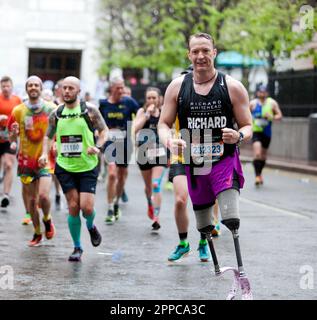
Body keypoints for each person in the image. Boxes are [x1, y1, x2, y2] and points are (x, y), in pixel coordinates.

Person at [158, 33, 253, 290]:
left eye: (205, 51)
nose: (200, 56)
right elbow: (163, 124)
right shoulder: (177, 87)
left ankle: (241, 273)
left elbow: (247, 125)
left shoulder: (232, 86)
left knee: (230, 217)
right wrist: (169, 140)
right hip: (193, 161)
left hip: (223, 159)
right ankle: (213, 264)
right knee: (204, 224)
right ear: (189, 55)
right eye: (195, 51)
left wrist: (239, 135)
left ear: (214, 52)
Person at [39, 76, 108, 262]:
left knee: (86, 208)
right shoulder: (57, 113)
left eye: (71, 88)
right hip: (65, 166)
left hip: (87, 165)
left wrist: (98, 147)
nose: (67, 91)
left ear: (78, 90)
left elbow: (104, 132)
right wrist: (45, 153)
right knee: (73, 206)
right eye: (64, 88)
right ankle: (77, 247)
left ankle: (91, 226)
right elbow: (48, 136)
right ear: (60, 91)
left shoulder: (89, 110)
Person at [8, 76, 56, 246]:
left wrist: (56, 144)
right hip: (26, 161)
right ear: (27, 89)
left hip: (45, 160)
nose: (33, 87)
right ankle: (37, 233)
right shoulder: (18, 111)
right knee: (32, 202)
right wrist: (13, 134)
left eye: (36, 85)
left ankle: (48, 219)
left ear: (41, 88)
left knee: (43, 196)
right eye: (30, 85)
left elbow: (60, 130)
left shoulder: (51, 109)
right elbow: (11, 137)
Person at [99, 77, 139, 224]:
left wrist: (137, 125)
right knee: (111, 173)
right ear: (111, 89)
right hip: (110, 142)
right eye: (118, 88)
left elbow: (140, 112)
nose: (121, 91)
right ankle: (110, 207)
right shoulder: (103, 104)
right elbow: (97, 121)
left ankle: (116, 202)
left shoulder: (128, 102)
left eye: (122, 87)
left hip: (125, 142)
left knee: (121, 176)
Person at [134, 87, 167, 230]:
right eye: (149, 98)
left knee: (155, 184)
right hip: (144, 152)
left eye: (154, 98)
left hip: (159, 152)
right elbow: (135, 129)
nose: (152, 100)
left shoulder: (165, 112)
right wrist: (147, 115)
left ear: (159, 98)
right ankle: (149, 202)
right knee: (148, 187)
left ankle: (156, 217)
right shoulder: (142, 112)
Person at [250, 84, 282, 186]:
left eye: (264, 92)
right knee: (257, 153)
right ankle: (257, 176)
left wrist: (271, 116)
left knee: (263, 156)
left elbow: (279, 115)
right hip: (256, 131)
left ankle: (260, 173)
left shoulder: (272, 103)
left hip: (267, 132)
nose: (262, 93)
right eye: (260, 92)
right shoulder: (253, 104)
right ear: (257, 93)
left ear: (267, 93)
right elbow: (244, 114)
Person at [0, 76, 22, 208]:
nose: (6, 88)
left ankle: (6, 195)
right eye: (3, 86)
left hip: (10, 137)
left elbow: (21, 117)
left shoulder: (17, 100)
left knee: (9, 165)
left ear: (12, 87)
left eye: (8, 86)